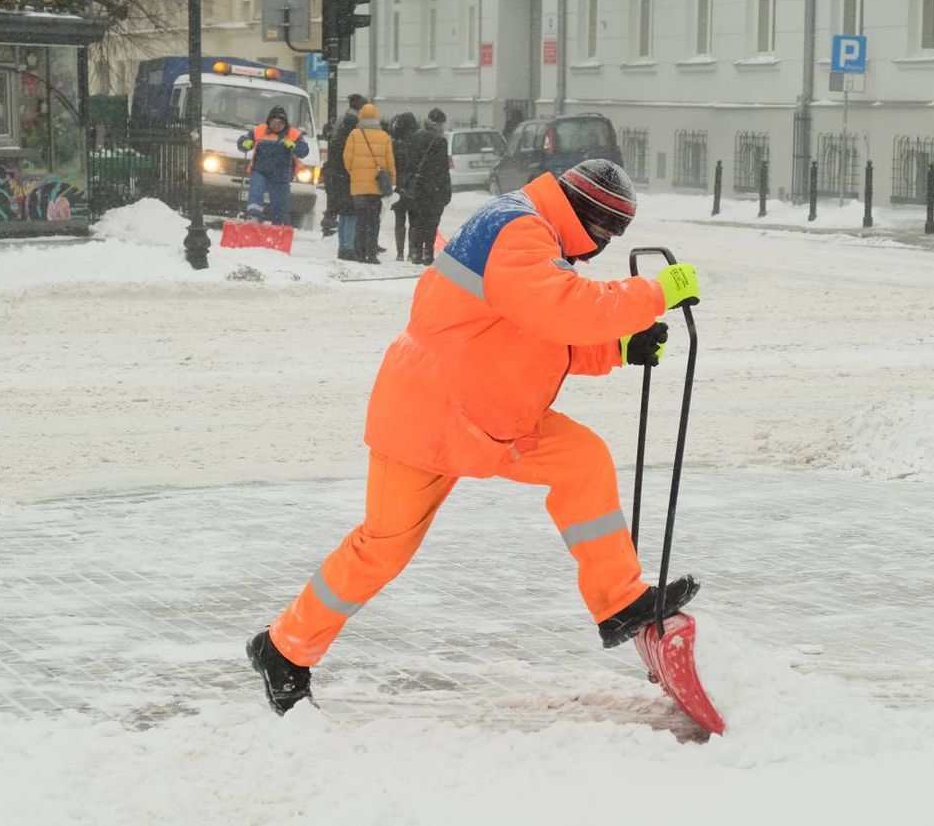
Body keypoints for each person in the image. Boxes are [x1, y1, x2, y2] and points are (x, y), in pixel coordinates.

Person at [246, 159, 703, 715]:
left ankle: (622, 602)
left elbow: (524, 334)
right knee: (381, 550)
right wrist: (652, 294)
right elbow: (560, 309)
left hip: (490, 419)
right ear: (590, 220)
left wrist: (618, 349)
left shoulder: (535, 231)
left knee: (582, 460)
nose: (602, 246)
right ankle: (282, 649)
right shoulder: (518, 230)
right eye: (607, 233)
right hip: (430, 417)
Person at [237, 105, 309, 226]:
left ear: (285, 123)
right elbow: (243, 141)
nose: (276, 125)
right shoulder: (259, 130)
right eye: (273, 122)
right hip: (260, 171)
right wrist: (245, 143)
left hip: (281, 175)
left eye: (280, 123)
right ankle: (253, 217)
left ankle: (279, 226)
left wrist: (294, 147)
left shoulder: (294, 134)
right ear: (269, 122)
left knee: (280, 203)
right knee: (256, 190)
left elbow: (304, 151)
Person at [342, 103, 395, 265]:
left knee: (361, 220)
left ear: (361, 117)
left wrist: (355, 173)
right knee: (374, 221)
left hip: (359, 186)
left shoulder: (354, 134)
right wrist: (391, 181)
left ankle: (359, 253)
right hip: (377, 186)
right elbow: (389, 162)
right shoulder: (384, 136)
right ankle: (371, 253)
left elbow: (347, 159)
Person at [403, 107, 452, 265]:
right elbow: (443, 169)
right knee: (431, 222)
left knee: (416, 221)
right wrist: (446, 190)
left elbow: (409, 163)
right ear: (439, 123)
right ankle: (427, 253)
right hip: (433, 189)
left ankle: (416, 253)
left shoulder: (415, 137)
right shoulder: (440, 140)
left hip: (417, 188)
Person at [322, 94, 366, 257]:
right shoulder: (353, 125)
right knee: (350, 212)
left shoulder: (342, 121)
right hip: (346, 173)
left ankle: (344, 245)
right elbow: (349, 152)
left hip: (337, 172)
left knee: (345, 211)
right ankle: (348, 247)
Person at [388, 112, 419, 261]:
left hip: (399, 186)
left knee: (399, 221)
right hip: (413, 186)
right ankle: (412, 251)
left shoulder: (394, 144)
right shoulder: (416, 143)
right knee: (413, 221)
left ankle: (400, 252)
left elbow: (391, 165)